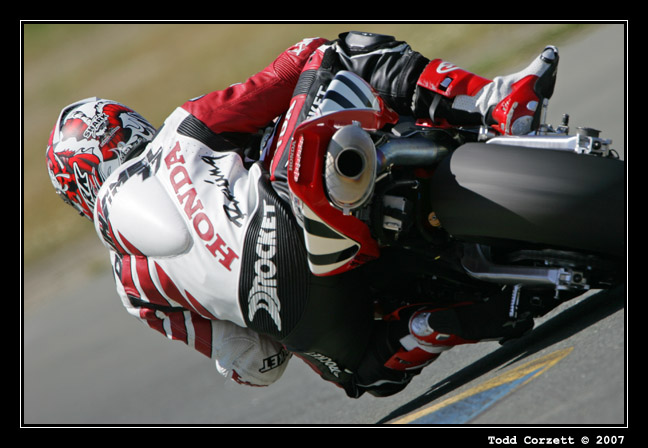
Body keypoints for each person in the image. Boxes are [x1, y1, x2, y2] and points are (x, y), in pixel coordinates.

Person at [45, 32, 557, 398]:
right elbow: (295, 65)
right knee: (341, 51)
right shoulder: (185, 126)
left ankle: (429, 326)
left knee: (362, 373)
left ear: (78, 190)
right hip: (293, 203)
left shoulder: (131, 287)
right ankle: (493, 103)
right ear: (131, 125)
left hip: (296, 309)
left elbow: (257, 366)